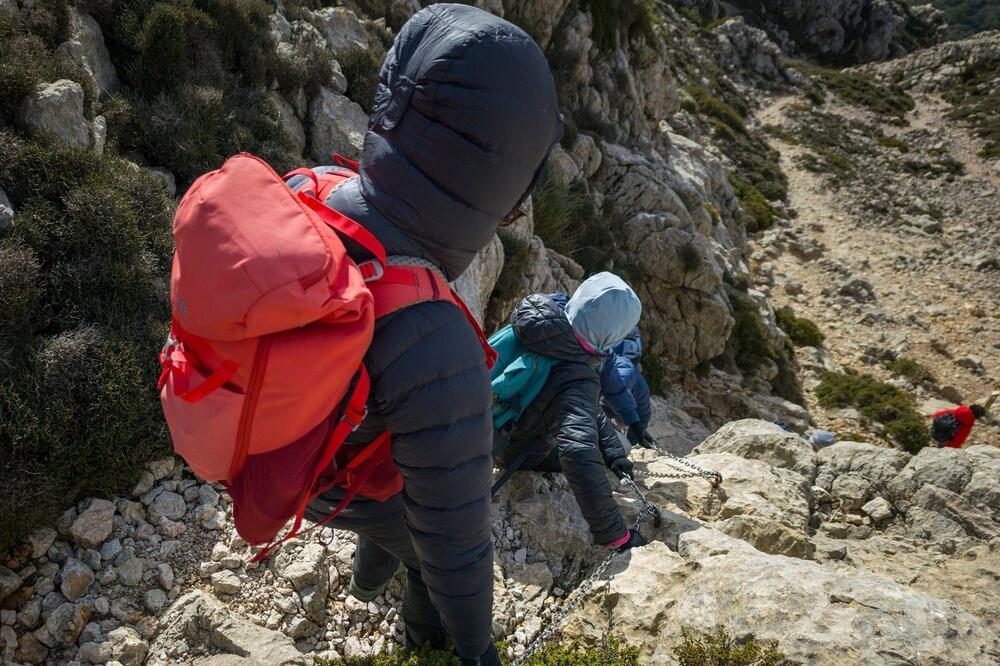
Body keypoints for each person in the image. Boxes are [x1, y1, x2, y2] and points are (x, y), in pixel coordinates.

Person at [297, 5, 562, 665]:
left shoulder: (310, 187)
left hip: (257, 426)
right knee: (422, 551)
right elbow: (459, 545)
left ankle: (363, 584)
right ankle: (422, 641)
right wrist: (478, 652)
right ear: (500, 186)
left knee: (392, 478)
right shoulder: (437, 342)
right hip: (324, 475)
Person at [492, 273, 647, 552]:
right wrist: (615, 535)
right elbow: (577, 452)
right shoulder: (578, 372)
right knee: (619, 446)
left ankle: (614, 452)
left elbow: (577, 406)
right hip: (509, 450)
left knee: (612, 445)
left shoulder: (539, 323)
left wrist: (611, 455)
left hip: (478, 425)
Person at [600, 327, 653, 448]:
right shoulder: (637, 377)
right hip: (613, 417)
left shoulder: (600, 356)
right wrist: (634, 439)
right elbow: (644, 414)